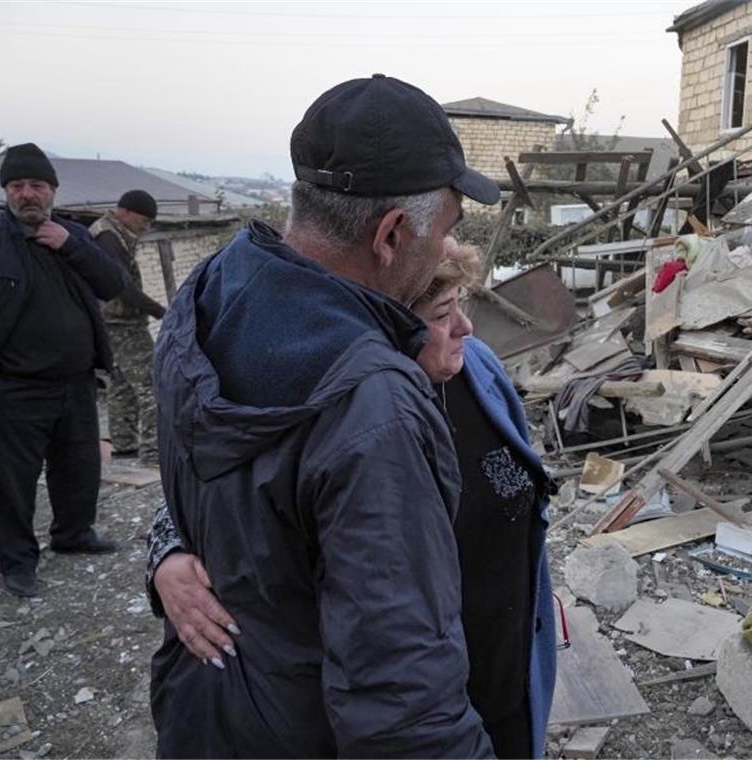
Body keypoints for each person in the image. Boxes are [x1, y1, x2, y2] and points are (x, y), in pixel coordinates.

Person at [149, 75, 508, 758]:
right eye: (448, 229)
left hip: (204, 713)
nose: (443, 252)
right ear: (392, 234)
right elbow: (403, 695)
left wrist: (164, 550)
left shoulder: (210, 294)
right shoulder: (373, 403)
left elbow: (216, 488)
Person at [148, 239, 557, 758]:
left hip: (501, 674)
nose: (465, 328)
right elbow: (216, 480)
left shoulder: (476, 368)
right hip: (410, 708)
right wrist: (167, 548)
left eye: (462, 304)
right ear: (383, 327)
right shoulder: (337, 410)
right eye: (441, 313)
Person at [0, 142, 127, 598]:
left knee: (78, 468)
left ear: (52, 191)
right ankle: (17, 563)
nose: (27, 194)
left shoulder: (73, 237)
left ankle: (73, 534)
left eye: (36, 185)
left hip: (76, 382)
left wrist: (68, 246)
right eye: (17, 185)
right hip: (13, 390)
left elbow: (113, 282)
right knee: (13, 484)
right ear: (6, 192)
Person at [89, 189, 166, 463]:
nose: (145, 229)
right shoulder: (108, 237)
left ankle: (123, 446)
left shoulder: (110, 233)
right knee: (153, 384)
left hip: (113, 323)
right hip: (122, 324)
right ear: (127, 212)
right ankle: (154, 453)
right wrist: (161, 312)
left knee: (121, 385)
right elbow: (121, 287)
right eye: (143, 222)